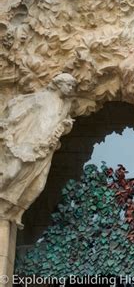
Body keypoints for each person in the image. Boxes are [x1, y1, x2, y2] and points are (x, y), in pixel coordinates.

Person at [0, 73, 77, 225]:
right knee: (11, 173)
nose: (71, 88)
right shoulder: (41, 97)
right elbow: (20, 109)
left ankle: (10, 211)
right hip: (27, 144)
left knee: (37, 186)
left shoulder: (65, 105)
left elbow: (58, 126)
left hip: (45, 150)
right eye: (68, 85)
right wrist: (7, 123)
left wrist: (66, 127)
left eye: (72, 86)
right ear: (58, 84)